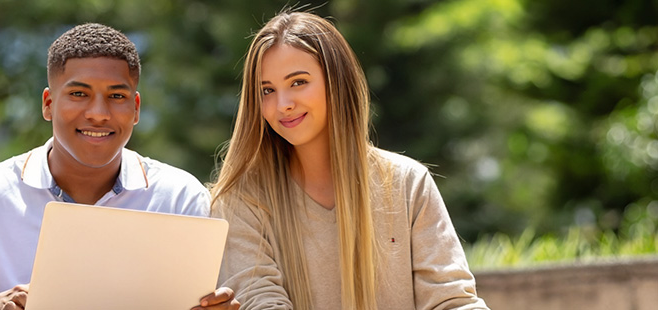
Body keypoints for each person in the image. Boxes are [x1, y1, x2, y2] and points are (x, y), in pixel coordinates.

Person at [0, 23, 238, 310]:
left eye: (116, 96)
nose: (98, 113)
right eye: (79, 93)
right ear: (48, 104)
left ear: (136, 108)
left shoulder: (182, 199)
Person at [209, 11, 489, 310]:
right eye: (267, 90)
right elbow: (261, 303)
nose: (283, 104)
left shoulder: (408, 183)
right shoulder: (241, 200)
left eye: (298, 82)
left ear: (337, 82)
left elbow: (452, 301)